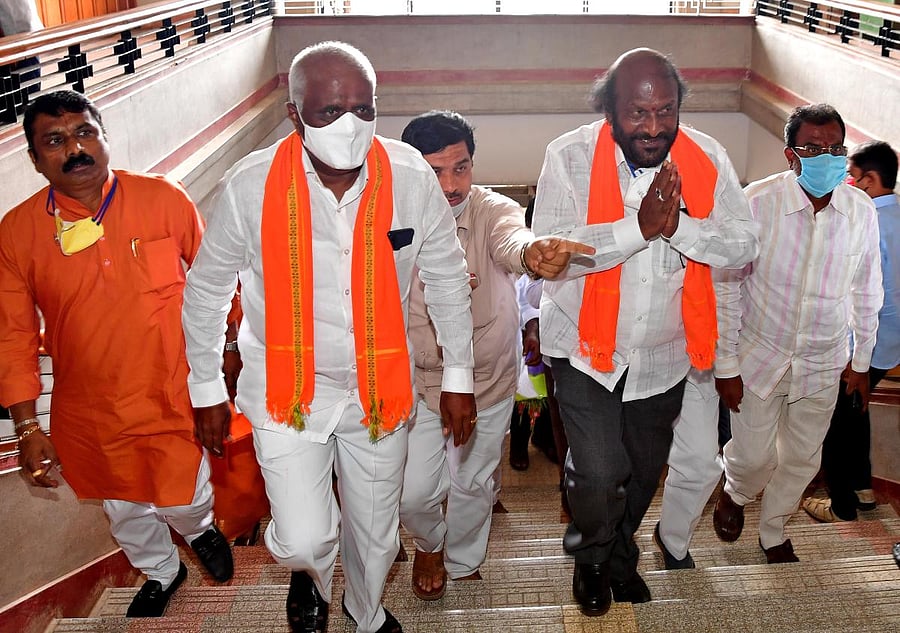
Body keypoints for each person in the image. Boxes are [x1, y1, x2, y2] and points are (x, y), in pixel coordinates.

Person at [181, 42, 478, 633]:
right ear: (294, 114)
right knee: (303, 536)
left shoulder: (410, 174)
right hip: (288, 394)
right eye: (328, 112)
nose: (350, 125)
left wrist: (458, 376)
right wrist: (207, 386)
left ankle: (365, 614)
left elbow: (446, 276)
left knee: (377, 532)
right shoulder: (250, 184)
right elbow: (207, 290)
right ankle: (309, 573)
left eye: (364, 110)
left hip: (378, 390)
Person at [531, 48, 759, 617]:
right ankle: (590, 560)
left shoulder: (707, 156)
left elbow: (743, 244)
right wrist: (637, 229)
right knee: (601, 472)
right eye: (637, 113)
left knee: (640, 472)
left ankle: (620, 555)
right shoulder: (569, 156)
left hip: (665, 353)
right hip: (582, 348)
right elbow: (556, 255)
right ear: (609, 110)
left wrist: (680, 230)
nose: (653, 127)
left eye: (665, 111)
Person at [0, 91, 233, 618]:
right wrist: (29, 430)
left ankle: (200, 531)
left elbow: (215, 283)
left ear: (105, 139)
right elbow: (11, 336)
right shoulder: (16, 233)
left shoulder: (162, 198)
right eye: (54, 141)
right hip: (92, 407)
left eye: (84, 133)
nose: (74, 149)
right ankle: (161, 570)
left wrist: (230, 354)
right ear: (35, 160)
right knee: (123, 507)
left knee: (184, 497)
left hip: (173, 388)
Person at [397, 110, 591, 601]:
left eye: (460, 167)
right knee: (415, 491)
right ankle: (428, 541)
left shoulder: (491, 209)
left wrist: (532, 253)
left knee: (474, 480)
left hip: (487, 373)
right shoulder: (389, 214)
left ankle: (461, 560)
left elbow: (512, 239)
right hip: (415, 376)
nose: (451, 183)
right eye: (436, 170)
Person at [713, 104, 883, 564]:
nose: (825, 156)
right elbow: (726, 285)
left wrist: (861, 362)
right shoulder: (757, 203)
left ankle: (773, 530)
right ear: (790, 154)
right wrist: (725, 364)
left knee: (804, 459)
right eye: (812, 147)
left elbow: (867, 289)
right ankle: (735, 489)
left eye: (834, 149)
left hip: (824, 359)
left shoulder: (860, 211)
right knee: (752, 456)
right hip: (760, 353)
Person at [801, 140, 899, 523]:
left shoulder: (868, 222)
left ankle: (840, 504)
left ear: (870, 180)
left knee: (837, 422)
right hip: (889, 344)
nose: (843, 184)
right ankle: (863, 486)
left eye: (849, 177)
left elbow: (861, 291)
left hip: (863, 344)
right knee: (857, 411)